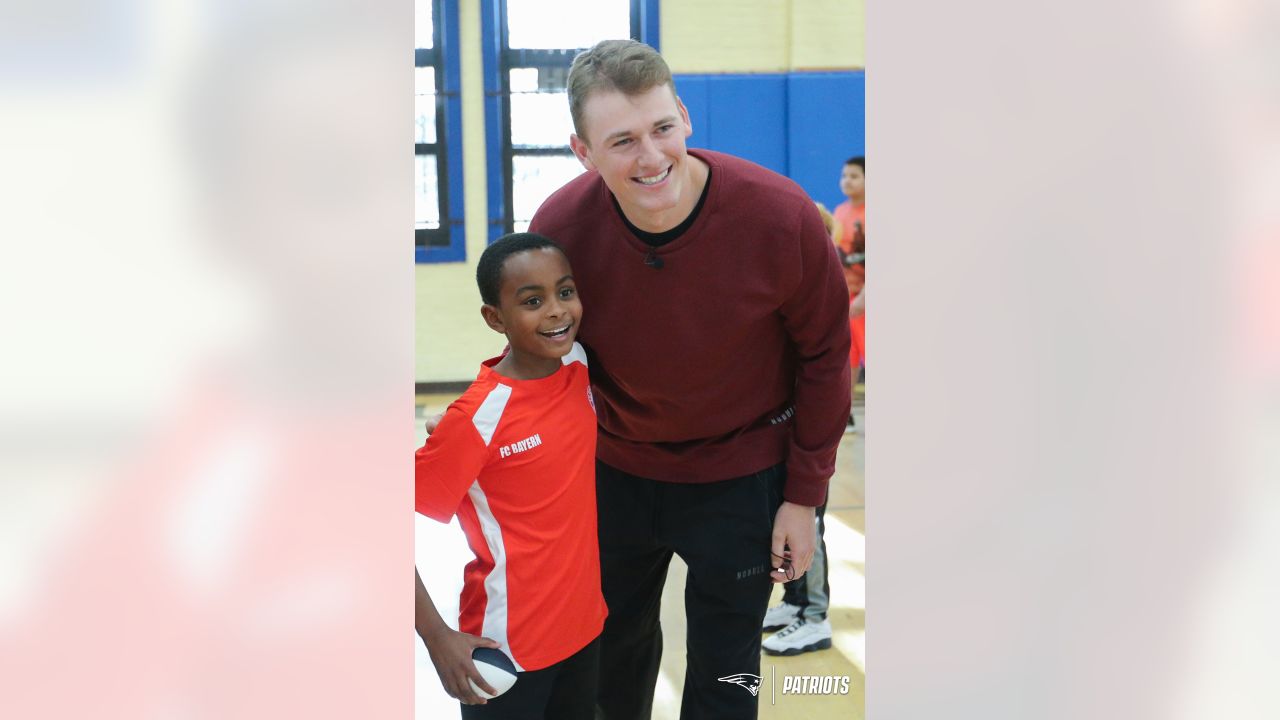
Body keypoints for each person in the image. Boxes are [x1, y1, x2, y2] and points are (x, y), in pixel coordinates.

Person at [528, 39, 851, 719]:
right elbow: (546, 358)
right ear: (582, 152)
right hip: (615, 472)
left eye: (662, 128)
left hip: (742, 478)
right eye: (621, 141)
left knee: (727, 672)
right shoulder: (559, 229)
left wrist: (804, 498)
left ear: (684, 115)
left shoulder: (780, 216)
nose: (650, 158)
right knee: (610, 659)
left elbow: (824, 358)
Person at [415, 233, 607, 719]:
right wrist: (437, 638)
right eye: (532, 301)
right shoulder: (475, 420)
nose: (557, 312)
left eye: (565, 292)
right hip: (505, 655)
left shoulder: (578, 365)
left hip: (585, 633)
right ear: (494, 318)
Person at [833, 156, 866, 376]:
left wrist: (864, 296)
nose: (847, 181)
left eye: (854, 176)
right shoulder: (840, 211)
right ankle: (847, 408)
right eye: (844, 176)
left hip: (864, 295)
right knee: (848, 354)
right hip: (847, 295)